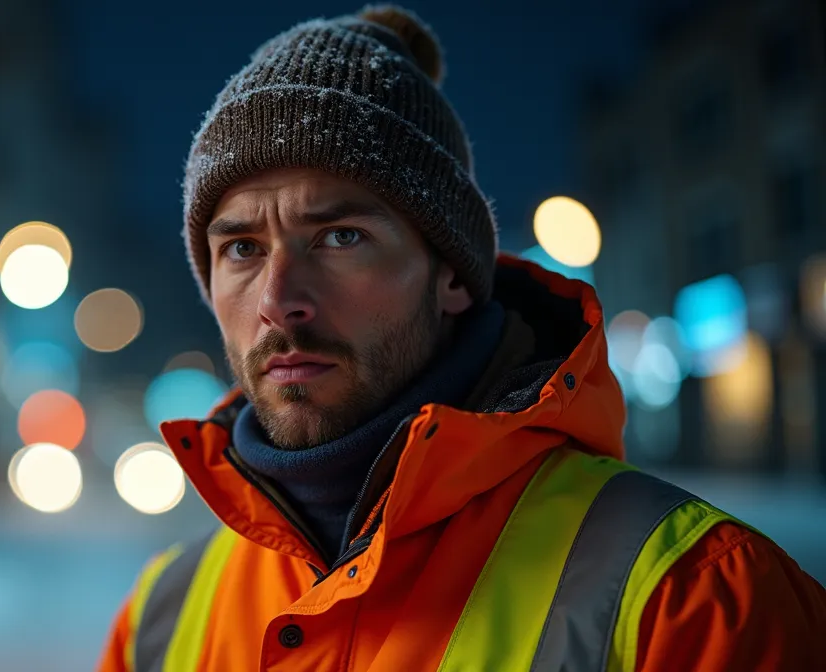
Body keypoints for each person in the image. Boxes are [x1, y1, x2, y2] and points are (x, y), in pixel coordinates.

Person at [95, 5, 826, 671]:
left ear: (450, 272)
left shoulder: (695, 597)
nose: (279, 302)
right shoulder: (160, 620)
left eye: (340, 236)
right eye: (242, 249)